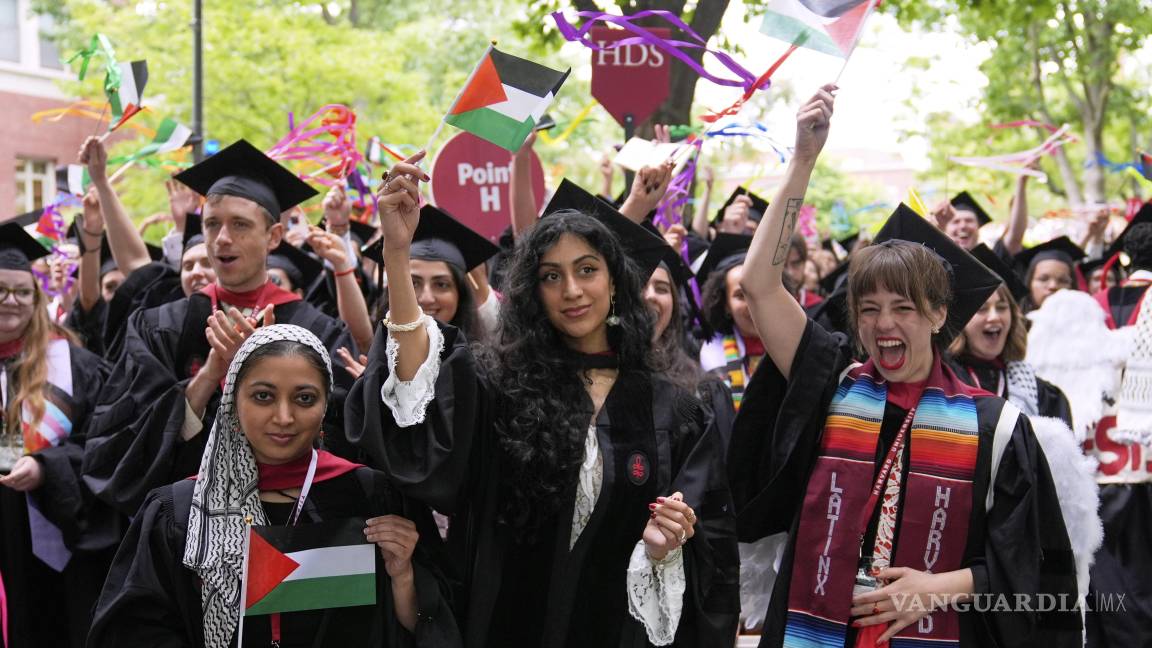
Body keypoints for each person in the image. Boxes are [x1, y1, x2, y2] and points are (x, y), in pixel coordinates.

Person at [729, 85, 1080, 647]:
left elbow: (1033, 563)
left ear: (941, 314)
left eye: (904, 308)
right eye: (869, 309)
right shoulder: (835, 384)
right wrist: (801, 160)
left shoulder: (997, 426)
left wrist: (939, 586)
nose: (883, 324)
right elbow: (759, 284)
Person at [346, 157, 738, 647]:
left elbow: (712, 557)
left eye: (587, 270)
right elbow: (414, 415)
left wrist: (667, 549)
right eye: (551, 276)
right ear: (533, 291)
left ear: (616, 282)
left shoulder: (675, 407)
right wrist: (399, 254)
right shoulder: (497, 385)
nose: (571, 290)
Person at [88, 325, 459, 647]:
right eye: (263, 396)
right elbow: (132, 631)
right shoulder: (183, 511)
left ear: (325, 405)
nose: (284, 417)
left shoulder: (370, 498)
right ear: (234, 400)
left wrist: (404, 578)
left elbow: (424, 627)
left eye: (304, 398)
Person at [83, 139, 357, 518]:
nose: (222, 238)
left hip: (291, 526)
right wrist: (211, 373)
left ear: (274, 237)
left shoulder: (315, 329)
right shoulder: (162, 325)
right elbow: (118, 443)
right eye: (212, 224)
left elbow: (347, 436)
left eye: (240, 225)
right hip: (187, 525)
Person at [0, 222, 118, 648]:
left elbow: (107, 444)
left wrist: (49, 465)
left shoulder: (72, 364)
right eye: (0, 290)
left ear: (37, 300)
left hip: (54, 547)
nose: (10, 301)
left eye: (21, 292)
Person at [946, 244, 1073, 425]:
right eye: (981, 309)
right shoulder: (944, 379)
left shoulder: (1039, 392)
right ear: (961, 319)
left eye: (1002, 307)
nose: (994, 316)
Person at [1016, 236, 1085, 313]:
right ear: (1029, 284)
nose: (1053, 286)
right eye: (1043, 279)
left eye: (1063, 281)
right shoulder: (1013, 323)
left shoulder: (1085, 323)